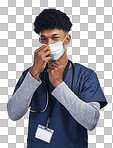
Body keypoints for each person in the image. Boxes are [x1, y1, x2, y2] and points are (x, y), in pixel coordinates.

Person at [7, 8, 107, 148]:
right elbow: (13, 113)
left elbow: (91, 121)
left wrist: (59, 84)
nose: (49, 45)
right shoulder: (30, 74)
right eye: (44, 39)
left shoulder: (86, 75)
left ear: (67, 39)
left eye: (55, 38)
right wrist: (34, 73)